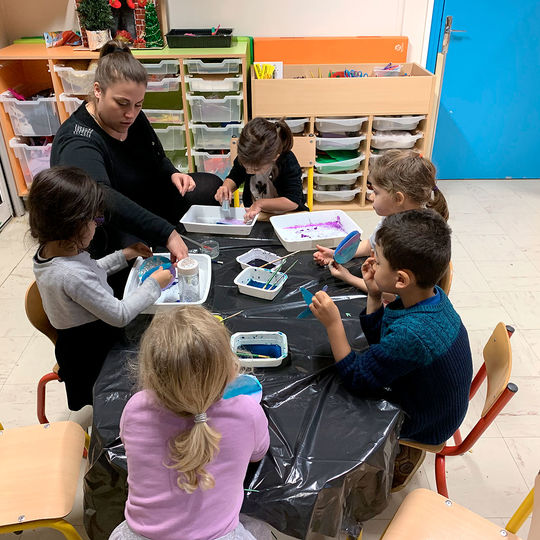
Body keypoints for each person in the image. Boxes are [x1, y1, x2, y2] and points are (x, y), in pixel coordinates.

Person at [310, 209, 472, 486]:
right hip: (438, 401)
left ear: (401, 280)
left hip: (427, 421)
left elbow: (358, 379)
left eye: (379, 260)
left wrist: (333, 325)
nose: (371, 261)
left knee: (328, 411)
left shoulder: (413, 333)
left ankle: (403, 455)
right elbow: (384, 339)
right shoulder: (431, 297)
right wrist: (374, 294)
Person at [51, 40, 223, 263]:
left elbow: (155, 155)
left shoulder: (131, 116)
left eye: (138, 104)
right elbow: (101, 198)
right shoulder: (77, 140)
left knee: (211, 187)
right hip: (106, 223)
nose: (130, 114)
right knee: (139, 254)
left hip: (143, 199)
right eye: (122, 103)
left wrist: (171, 172)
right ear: (97, 90)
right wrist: (165, 232)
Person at [110, 307, 270, 540]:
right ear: (229, 367)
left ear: (150, 373)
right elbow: (258, 454)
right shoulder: (247, 413)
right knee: (263, 529)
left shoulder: (136, 408)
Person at [29, 166, 173, 411]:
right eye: (94, 221)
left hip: (78, 339)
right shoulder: (69, 274)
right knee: (116, 396)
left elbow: (91, 270)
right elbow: (119, 314)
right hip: (92, 350)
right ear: (72, 225)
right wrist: (153, 285)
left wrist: (123, 255)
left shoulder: (52, 252)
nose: (97, 227)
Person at [313, 150, 449, 292]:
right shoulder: (391, 217)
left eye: (376, 192)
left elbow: (388, 293)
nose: (371, 197)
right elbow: (371, 245)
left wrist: (348, 278)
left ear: (398, 198)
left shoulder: (409, 242)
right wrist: (337, 254)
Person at [214, 117, 308, 222]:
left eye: (255, 169)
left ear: (274, 157)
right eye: (245, 167)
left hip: (286, 215)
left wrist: (260, 204)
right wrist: (226, 187)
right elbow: (235, 176)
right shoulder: (247, 156)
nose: (248, 171)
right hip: (256, 214)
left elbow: (292, 201)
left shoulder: (287, 162)